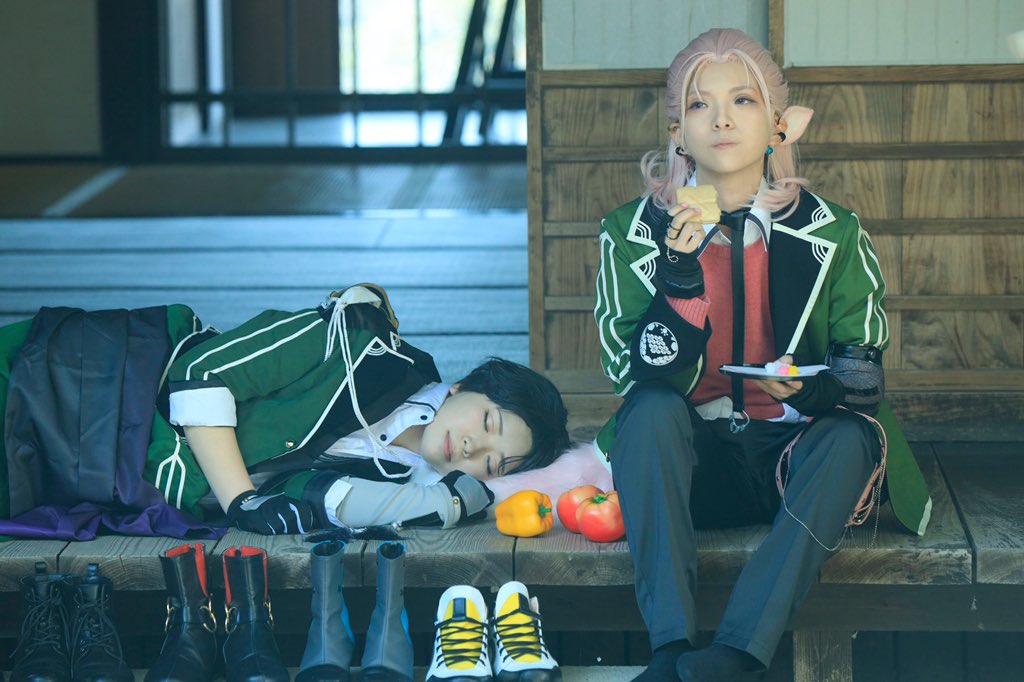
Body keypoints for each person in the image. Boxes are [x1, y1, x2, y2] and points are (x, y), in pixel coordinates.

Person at [591, 29, 931, 681]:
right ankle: (670, 649)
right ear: (677, 132)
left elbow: (862, 379)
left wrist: (808, 389)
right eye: (700, 105)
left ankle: (739, 652)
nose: (721, 119)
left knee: (852, 436)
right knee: (649, 411)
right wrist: (679, 276)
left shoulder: (834, 230)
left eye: (742, 100)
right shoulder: (631, 233)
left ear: (780, 124)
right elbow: (633, 373)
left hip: (795, 468)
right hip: (691, 468)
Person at [0, 283, 572, 539]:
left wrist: (451, 501)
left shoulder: (399, 475)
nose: (473, 447)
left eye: (492, 463)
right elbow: (203, 373)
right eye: (488, 423)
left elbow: (325, 498)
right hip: (93, 380)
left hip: (104, 468)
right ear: (461, 387)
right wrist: (242, 500)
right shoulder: (357, 342)